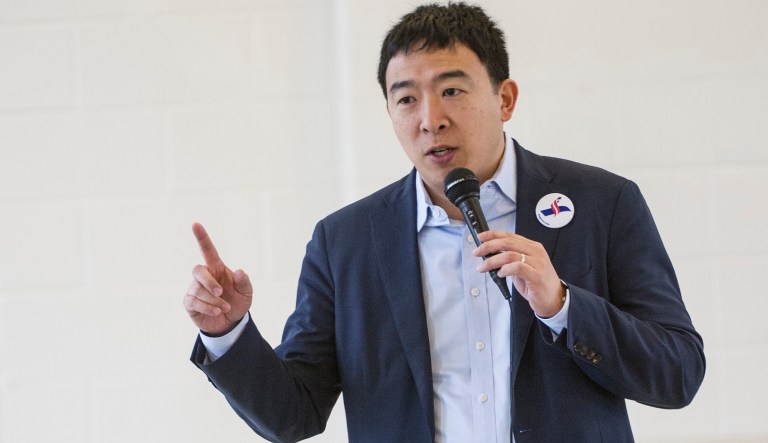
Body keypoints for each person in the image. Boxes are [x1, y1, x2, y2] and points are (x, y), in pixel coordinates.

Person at [184, 3, 705, 442]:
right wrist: (230, 334)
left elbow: (677, 373)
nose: (430, 118)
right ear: (389, 112)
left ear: (505, 99)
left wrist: (563, 306)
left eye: (452, 91)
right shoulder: (345, 242)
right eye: (406, 98)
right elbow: (292, 413)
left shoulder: (602, 203)